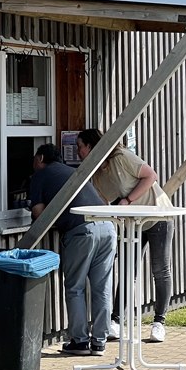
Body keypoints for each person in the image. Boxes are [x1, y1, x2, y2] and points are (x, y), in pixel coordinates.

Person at [75, 128, 173, 344]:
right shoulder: (97, 173)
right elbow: (103, 199)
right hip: (130, 223)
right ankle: (116, 321)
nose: (77, 152)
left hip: (156, 214)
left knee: (160, 268)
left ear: (90, 146)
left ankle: (159, 323)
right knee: (127, 270)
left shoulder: (122, 156)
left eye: (80, 146)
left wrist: (128, 200)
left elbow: (151, 176)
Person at [28, 143, 116, 356]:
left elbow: (39, 214)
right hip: (108, 227)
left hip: (82, 231)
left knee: (75, 287)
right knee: (101, 287)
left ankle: (79, 341)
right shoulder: (74, 172)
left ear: (40, 158)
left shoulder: (40, 174)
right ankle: (99, 342)